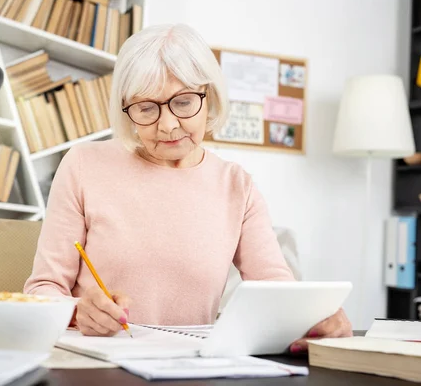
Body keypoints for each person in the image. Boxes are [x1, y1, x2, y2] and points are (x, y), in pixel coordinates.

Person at [24, 23, 352, 353]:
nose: (167, 125)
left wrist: (317, 317)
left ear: (210, 97)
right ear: (126, 109)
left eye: (183, 102)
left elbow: (276, 289)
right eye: (146, 108)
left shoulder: (237, 185)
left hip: (188, 364)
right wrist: (77, 311)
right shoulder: (83, 164)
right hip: (96, 362)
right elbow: (44, 287)